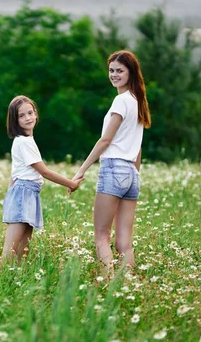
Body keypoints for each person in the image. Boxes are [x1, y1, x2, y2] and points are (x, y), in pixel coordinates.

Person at [70, 50, 151, 271]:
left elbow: (106, 140)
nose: (114, 75)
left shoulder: (121, 101)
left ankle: (108, 284)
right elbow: (138, 147)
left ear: (131, 73)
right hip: (132, 174)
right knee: (124, 244)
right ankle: (129, 287)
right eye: (111, 70)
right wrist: (134, 174)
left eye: (119, 71)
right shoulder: (138, 101)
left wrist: (81, 170)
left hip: (114, 168)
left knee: (101, 237)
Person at [2, 95, 84, 262]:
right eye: (21, 116)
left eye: (30, 113)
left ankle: (17, 281)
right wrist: (71, 184)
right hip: (23, 194)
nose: (27, 118)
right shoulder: (23, 142)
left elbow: (14, 174)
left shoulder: (27, 141)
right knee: (11, 249)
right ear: (14, 120)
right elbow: (44, 172)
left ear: (36, 114)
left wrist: (9, 194)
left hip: (29, 194)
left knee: (23, 249)